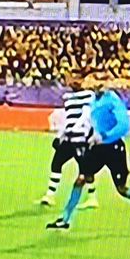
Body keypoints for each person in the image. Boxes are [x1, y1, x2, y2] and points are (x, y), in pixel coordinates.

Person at [46, 84, 130, 230]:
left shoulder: (113, 99)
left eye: (103, 80)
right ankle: (65, 219)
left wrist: (105, 135)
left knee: (122, 189)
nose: (99, 84)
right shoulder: (93, 100)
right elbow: (88, 119)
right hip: (97, 147)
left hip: (114, 148)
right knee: (81, 179)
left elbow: (124, 125)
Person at [37, 77, 98, 207]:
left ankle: (92, 197)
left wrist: (76, 128)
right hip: (69, 138)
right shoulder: (69, 98)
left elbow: (86, 115)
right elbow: (68, 118)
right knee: (56, 163)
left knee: (85, 169)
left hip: (81, 138)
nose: (74, 82)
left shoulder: (88, 95)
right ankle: (50, 195)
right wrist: (60, 135)